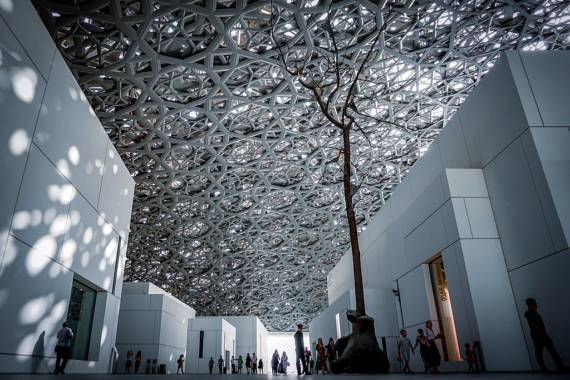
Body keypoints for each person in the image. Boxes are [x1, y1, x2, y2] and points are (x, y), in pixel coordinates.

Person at [524, 298, 564, 372]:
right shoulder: (528, 313)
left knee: (552, 350)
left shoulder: (535, 312)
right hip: (537, 336)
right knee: (539, 352)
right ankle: (544, 368)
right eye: (534, 303)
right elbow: (533, 324)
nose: (536, 304)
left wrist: (544, 333)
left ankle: (560, 366)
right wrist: (542, 332)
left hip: (542, 335)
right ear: (530, 305)